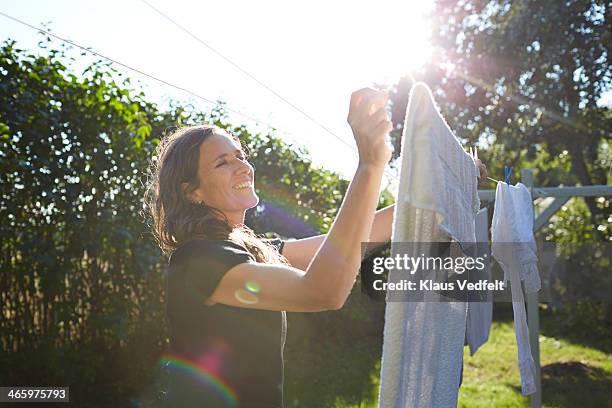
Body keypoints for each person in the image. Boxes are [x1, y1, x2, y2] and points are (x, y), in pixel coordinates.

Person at [144, 88, 488, 407]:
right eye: (223, 162)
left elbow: (347, 241)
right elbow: (323, 290)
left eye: (240, 155)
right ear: (192, 192)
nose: (243, 166)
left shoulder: (249, 248)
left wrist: (445, 188)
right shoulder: (197, 260)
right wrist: (370, 165)